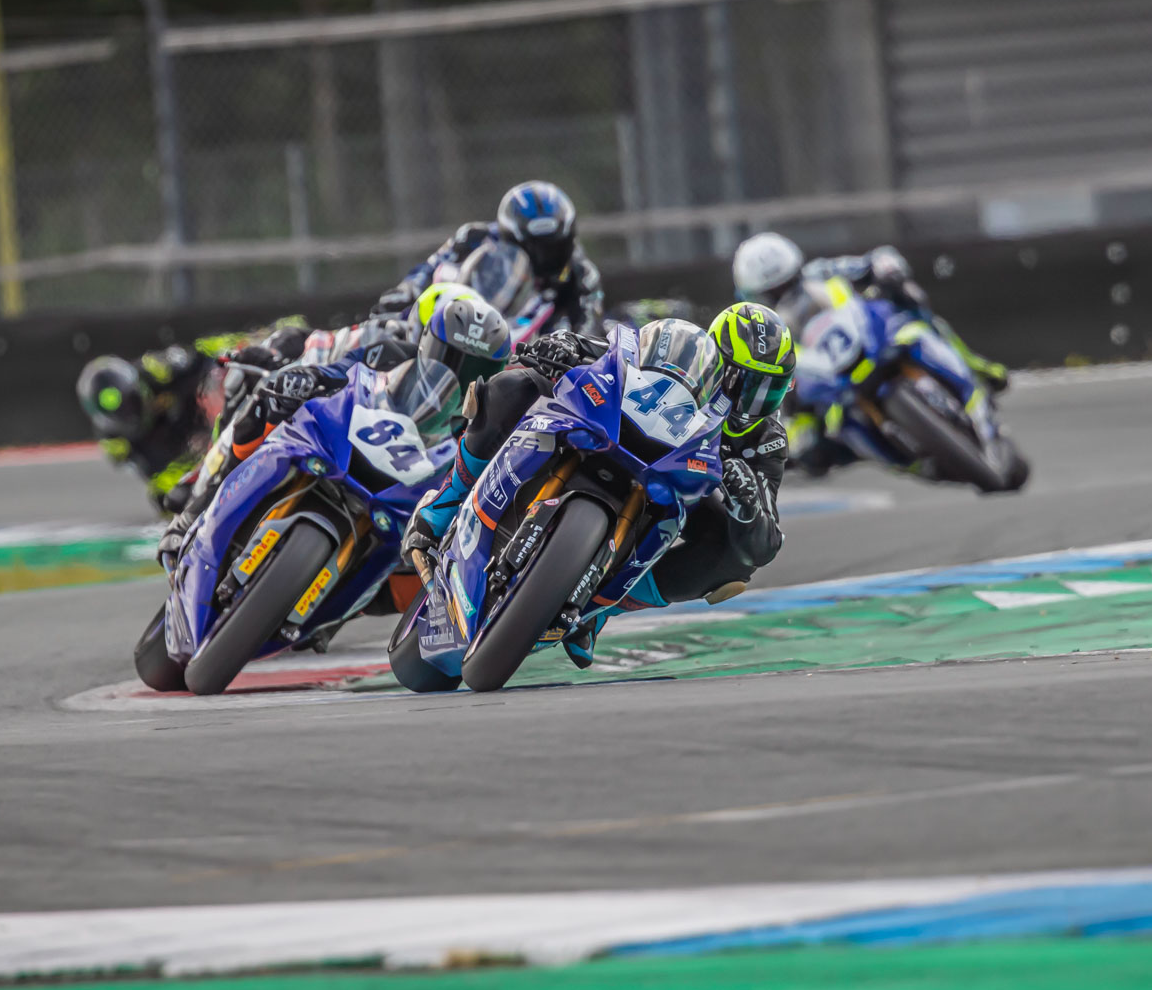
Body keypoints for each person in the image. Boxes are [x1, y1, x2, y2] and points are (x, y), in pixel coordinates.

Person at [406, 304, 794, 667]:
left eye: (769, 390)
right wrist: (566, 344)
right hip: (616, 426)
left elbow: (766, 540)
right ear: (715, 363)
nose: (752, 403)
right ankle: (447, 501)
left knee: (736, 563)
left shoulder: (765, 440)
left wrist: (747, 504)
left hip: (676, 486)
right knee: (514, 385)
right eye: (745, 384)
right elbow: (618, 352)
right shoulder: (682, 354)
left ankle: (604, 605)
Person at [157, 293, 512, 567]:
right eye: (448, 359)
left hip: (405, 497)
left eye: (473, 373)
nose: (455, 380)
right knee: (266, 404)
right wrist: (303, 377)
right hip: (346, 439)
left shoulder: (482, 433)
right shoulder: (387, 350)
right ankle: (195, 511)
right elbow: (340, 369)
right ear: (426, 342)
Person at [732, 232, 1010, 477]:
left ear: (797, 271)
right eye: (772, 294)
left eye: (787, 285)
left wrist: (887, 269)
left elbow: (877, 259)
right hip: (827, 380)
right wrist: (791, 444)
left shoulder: (822, 272)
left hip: (870, 335)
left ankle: (974, 366)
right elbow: (771, 406)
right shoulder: (756, 332)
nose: (783, 297)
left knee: (912, 307)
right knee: (819, 436)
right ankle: (906, 461)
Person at [77, 322, 313, 515]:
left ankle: (276, 344)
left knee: (229, 355)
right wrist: (198, 472)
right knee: (175, 503)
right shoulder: (117, 443)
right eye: (124, 413)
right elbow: (161, 484)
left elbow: (202, 352)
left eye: (133, 403)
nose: (132, 412)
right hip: (186, 452)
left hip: (207, 409)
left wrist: (237, 352)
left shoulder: (155, 369)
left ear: (137, 387)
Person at [372, 181, 605, 336]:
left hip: (530, 349)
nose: (543, 258)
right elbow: (429, 270)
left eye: (553, 247)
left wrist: (567, 344)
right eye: (533, 249)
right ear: (509, 238)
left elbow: (587, 326)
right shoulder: (474, 237)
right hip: (469, 320)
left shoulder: (582, 273)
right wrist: (405, 293)